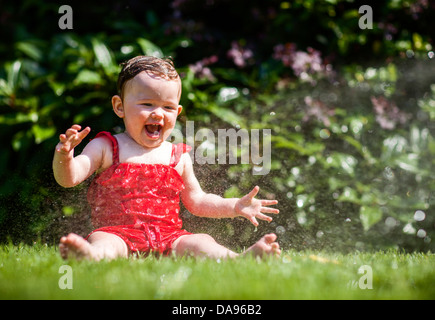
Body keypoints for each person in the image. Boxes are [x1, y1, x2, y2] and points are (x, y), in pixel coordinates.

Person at [54, 55, 280, 261]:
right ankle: (91, 256)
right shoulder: (106, 147)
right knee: (106, 243)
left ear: (177, 112)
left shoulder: (177, 156)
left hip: (170, 237)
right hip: (118, 232)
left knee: (201, 241)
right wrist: (65, 155)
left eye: (168, 107)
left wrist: (235, 205)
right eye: (147, 104)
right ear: (119, 106)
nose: (158, 113)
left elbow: (198, 201)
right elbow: (69, 178)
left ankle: (239, 260)